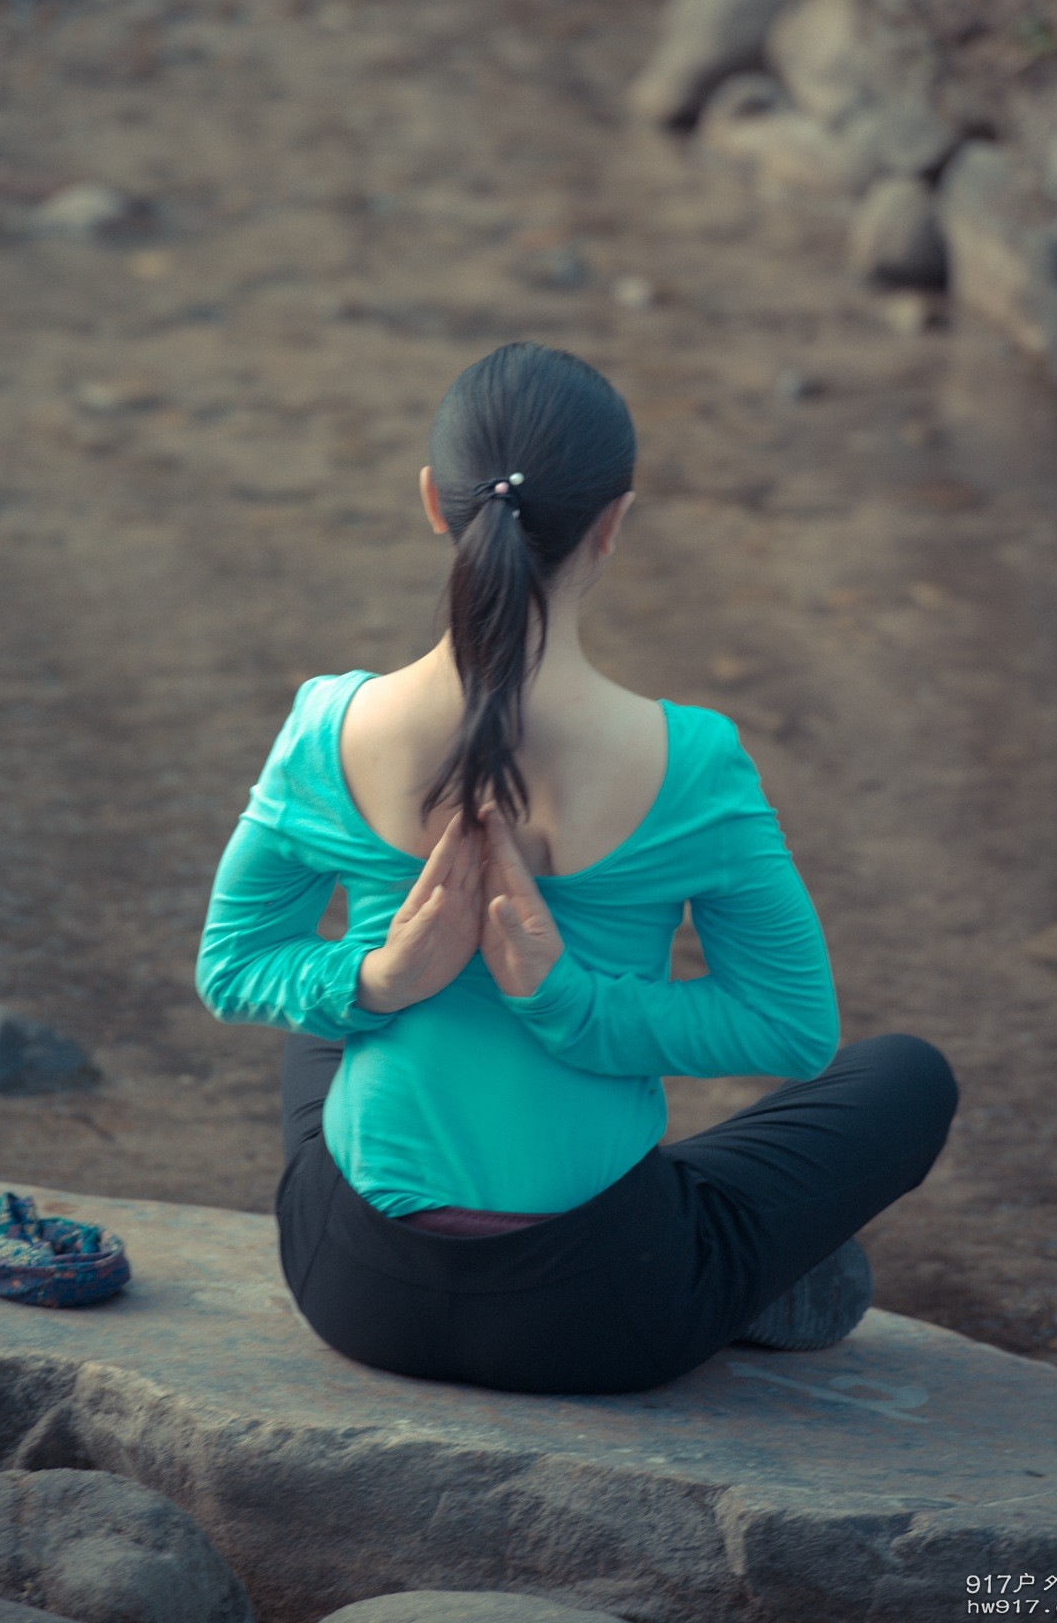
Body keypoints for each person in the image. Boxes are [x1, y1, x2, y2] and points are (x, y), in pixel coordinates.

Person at [196, 341, 959, 1397]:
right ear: (613, 523)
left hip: (354, 1287)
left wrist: (379, 980)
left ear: (432, 502)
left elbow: (231, 964)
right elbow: (787, 1027)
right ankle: (733, 1263)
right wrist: (565, 1002)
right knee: (908, 1075)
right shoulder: (689, 759)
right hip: (594, 1314)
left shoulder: (327, 723)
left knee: (321, 1024)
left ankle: (402, 1036)